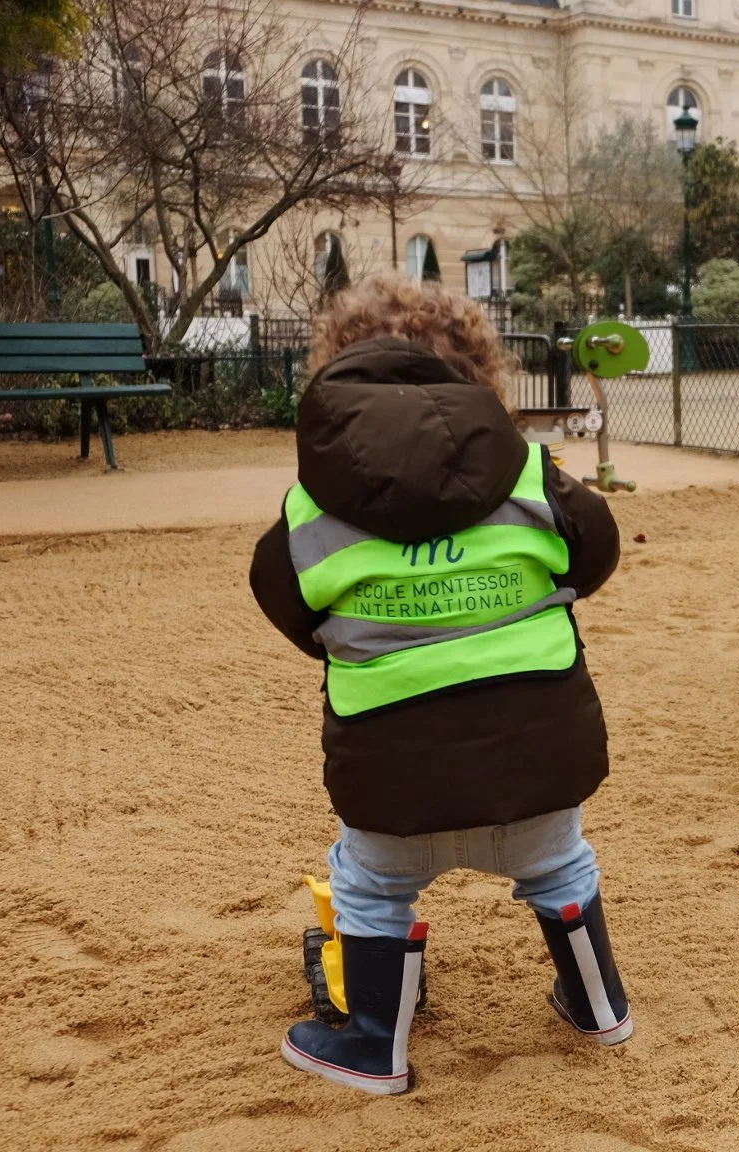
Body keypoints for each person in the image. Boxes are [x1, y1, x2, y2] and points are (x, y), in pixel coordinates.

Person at [250, 275, 632, 1095]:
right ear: (480, 374)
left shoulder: (312, 511)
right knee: (562, 866)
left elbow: (286, 604)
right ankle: (602, 1008)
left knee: (368, 886)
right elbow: (595, 551)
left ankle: (373, 1045)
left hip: (394, 784)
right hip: (539, 770)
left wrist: (373, 631)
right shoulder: (532, 476)